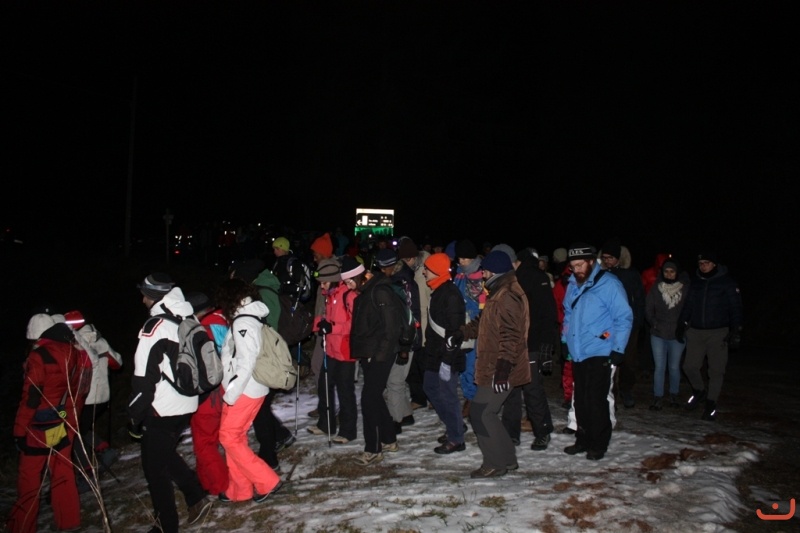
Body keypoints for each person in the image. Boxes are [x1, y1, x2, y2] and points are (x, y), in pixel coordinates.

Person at [127, 273, 212, 532]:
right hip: (188, 403)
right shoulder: (187, 318)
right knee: (162, 454)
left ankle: (166, 526)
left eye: (144, 295)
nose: (142, 300)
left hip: (162, 408)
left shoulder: (154, 327)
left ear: (152, 297)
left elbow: (144, 378)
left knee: (154, 469)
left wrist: (134, 416)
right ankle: (196, 496)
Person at [7, 314, 85, 533]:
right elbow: (77, 391)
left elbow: (30, 398)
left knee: (29, 477)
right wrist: (70, 419)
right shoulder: (74, 351)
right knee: (62, 471)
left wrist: (19, 431)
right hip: (62, 421)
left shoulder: (39, 356)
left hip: (37, 428)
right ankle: (69, 521)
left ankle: (22, 527)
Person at [462, 250, 531, 478]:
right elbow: (484, 322)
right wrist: (461, 333)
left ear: (494, 271)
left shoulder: (508, 294)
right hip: (494, 365)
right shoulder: (499, 291)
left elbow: (511, 336)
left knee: (481, 413)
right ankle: (506, 459)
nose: (482, 275)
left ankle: (494, 463)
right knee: (485, 413)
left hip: (500, 366)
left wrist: (503, 369)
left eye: (485, 271)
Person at [215, 278, 284, 503]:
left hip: (245, 389)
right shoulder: (248, 318)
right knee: (235, 437)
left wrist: (231, 393)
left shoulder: (243, 323)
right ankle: (239, 489)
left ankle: (267, 480)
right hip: (245, 387)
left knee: (229, 437)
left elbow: (246, 362)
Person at [562, 244, 633, 461]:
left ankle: (598, 443)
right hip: (578, 350)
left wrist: (618, 348)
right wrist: (565, 340)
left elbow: (624, 317)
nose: (576, 269)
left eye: (580, 265)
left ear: (591, 261)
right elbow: (568, 314)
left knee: (596, 399)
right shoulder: (572, 284)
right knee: (580, 399)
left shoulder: (609, 284)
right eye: (573, 266)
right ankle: (582, 439)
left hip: (600, 349)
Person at [236, 259, 296, 472]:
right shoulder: (262, 289)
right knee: (261, 408)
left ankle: (269, 456)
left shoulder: (264, 292)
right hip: (266, 356)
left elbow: (269, 326)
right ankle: (281, 436)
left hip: (268, 358)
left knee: (260, 409)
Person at [349, 256, 406, 466]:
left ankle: (373, 449)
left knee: (368, 399)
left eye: (349, 281)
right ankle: (389, 439)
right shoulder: (367, 291)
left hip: (381, 354)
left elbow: (391, 328)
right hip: (371, 353)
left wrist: (379, 355)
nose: (348, 285)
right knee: (374, 397)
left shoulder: (380, 291)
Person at [498, 246, 555, 451]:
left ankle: (513, 433)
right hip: (532, 343)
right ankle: (541, 431)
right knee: (532, 389)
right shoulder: (541, 278)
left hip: (519, 342)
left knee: (514, 390)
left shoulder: (516, 279)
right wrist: (547, 344)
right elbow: (550, 313)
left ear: (519, 262)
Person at [677, 251, 743, 421]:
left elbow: (735, 307)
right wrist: (681, 323)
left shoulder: (727, 282)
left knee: (716, 371)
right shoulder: (696, 282)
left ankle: (711, 403)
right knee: (689, 366)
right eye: (701, 263)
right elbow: (688, 304)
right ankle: (699, 391)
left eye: (706, 263)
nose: (703, 266)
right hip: (696, 331)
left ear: (714, 264)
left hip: (718, 332)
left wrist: (736, 330)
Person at [65, 310, 122, 492]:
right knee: (79, 427)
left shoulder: (74, 343)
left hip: (86, 397)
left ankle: (87, 473)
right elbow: (117, 363)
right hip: (103, 396)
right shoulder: (98, 338)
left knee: (72, 432)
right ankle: (104, 449)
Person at [421, 252, 467, 455]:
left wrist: (447, 362)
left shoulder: (450, 294)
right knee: (430, 387)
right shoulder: (439, 290)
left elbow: (454, 332)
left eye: (427, 269)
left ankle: (456, 439)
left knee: (448, 396)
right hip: (435, 354)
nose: (424, 272)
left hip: (447, 356)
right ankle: (454, 425)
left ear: (437, 271)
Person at [185, 291, 230, 497]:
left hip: (208, 394)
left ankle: (221, 486)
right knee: (212, 439)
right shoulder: (224, 319)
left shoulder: (202, 329)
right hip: (225, 388)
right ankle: (206, 482)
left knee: (204, 443)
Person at [310, 257, 359, 444]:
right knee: (324, 386)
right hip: (330, 349)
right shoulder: (329, 295)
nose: (322, 286)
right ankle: (326, 424)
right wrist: (316, 325)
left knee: (345, 391)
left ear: (334, 279)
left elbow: (354, 324)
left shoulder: (348, 295)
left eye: (324, 282)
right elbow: (326, 318)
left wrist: (332, 328)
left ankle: (348, 430)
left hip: (345, 351)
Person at [375, 247, 420, 434]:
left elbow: (410, 316)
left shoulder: (402, 283)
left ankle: (395, 422)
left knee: (395, 382)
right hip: (399, 338)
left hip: (405, 339)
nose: (381, 271)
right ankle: (405, 414)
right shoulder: (394, 280)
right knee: (396, 380)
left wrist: (405, 345)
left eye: (383, 267)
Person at [599, 239, 645, 408]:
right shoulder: (600, 274)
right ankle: (610, 393)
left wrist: (637, 322)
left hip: (627, 326)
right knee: (606, 357)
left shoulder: (630, 274)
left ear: (618, 258)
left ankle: (626, 389)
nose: (607, 261)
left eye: (610, 258)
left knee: (627, 360)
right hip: (606, 327)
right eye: (604, 258)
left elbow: (639, 299)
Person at [644, 260, 689, 410]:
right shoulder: (656, 288)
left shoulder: (685, 289)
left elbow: (689, 309)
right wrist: (654, 323)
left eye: (672, 271)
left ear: (677, 273)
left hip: (677, 334)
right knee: (659, 367)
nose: (669, 274)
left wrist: (684, 326)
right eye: (666, 271)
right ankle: (658, 397)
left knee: (674, 367)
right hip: (658, 333)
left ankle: (674, 395)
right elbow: (648, 308)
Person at [453, 239, 485, 419]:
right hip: (461, 322)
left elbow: (482, 302)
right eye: (460, 258)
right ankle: (468, 394)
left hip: (474, 323)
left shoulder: (479, 275)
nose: (462, 261)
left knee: (472, 362)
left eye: (465, 258)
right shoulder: (459, 274)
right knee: (463, 361)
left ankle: (472, 398)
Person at [398, 237, 431, 411]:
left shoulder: (426, 269)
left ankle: (431, 396)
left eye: (407, 260)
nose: (405, 263)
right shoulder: (407, 271)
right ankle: (418, 397)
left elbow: (432, 297)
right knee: (412, 365)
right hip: (412, 322)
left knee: (425, 363)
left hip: (425, 322)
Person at [307, 232, 336, 415]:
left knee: (319, 365)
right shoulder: (324, 268)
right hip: (323, 326)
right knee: (320, 366)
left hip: (329, 328)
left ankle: (327, 406)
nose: (314, 257)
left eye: (316, 253)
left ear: (323, 253)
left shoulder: (330, 271)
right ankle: (325, 404)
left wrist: (323, 322)